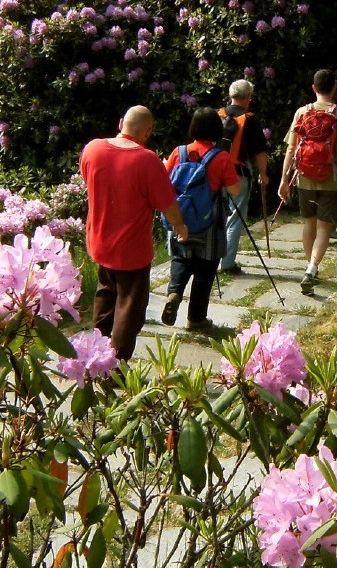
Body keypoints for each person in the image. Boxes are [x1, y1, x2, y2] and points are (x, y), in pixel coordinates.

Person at [80, 106, 189, 360]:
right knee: (130, 305)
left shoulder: (92, 149)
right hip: (132, 249)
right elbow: (167, 204)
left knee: (106, 294)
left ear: (121, 123)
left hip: (100, 241)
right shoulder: (147, 160)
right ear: (148, 131)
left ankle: (96, 352)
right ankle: (115, 363)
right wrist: (180, 225)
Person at [279, 69, 337, 295]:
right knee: (324, 227)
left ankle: (310, 267)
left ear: (314, 88)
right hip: (331, 178)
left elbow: (291, 148)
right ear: (335, 88)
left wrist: (284, 179)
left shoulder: (302, 112)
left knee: (309, 223)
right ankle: (312, 268)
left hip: (304, 177)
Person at [161, 108, 240, 332]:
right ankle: (196, 319)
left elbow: (165, 180)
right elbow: (235, 190)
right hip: (209, 223)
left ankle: (174, 293)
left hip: (181, 219)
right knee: (205, 270)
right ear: (217, 129)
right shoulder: (221, 156)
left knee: (181, 258)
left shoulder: (179, 152)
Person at [217, 79, 270, 275]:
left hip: (215, 173)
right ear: (249, 97)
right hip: (238, 174)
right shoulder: (250, 119)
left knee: (217, 216)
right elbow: (260, 152)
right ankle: (228, 263)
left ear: (230, 95)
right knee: (235, 217)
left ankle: (212, 256)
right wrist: (263, 175)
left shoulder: (218, 115)